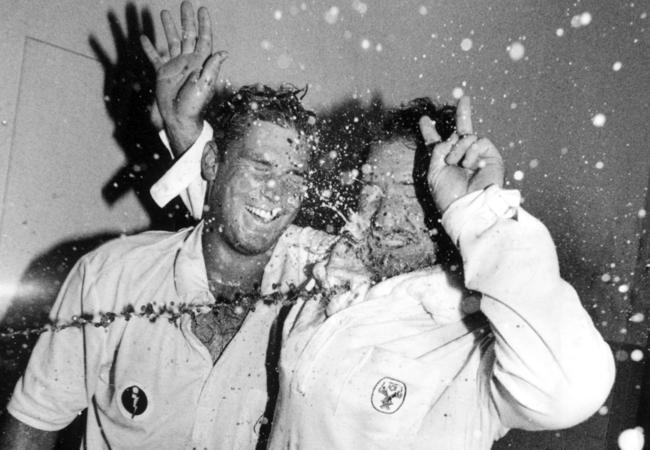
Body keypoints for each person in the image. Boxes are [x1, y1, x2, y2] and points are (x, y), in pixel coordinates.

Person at [0, 3, 335, 449]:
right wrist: (183, 127)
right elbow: (33, 425)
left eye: (295, 176)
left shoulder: (317, 298)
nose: (277, 193)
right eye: (261, 165)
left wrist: (182, 126)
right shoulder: (112, 277)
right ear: (212, 161)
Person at [264, 96, 616, 449]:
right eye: (371, 188)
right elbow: (247, 231)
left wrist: (480, 213)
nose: (384, 216)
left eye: (410, 192)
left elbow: (570, 391)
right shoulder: (330, 272)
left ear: (448, 204)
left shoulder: (473, 335)